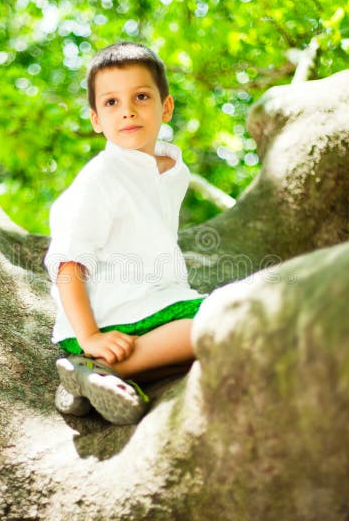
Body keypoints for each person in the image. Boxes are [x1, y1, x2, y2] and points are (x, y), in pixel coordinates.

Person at [44, 42, 206, 425]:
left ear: (165, 107)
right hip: (105, 320)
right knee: (219, 318)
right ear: (96, 119)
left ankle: (92, 382)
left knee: (215, 339)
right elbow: (68, 263)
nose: (128, 110)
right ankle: (95, 365)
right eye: (112, 102)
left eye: (141, 96)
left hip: (152, 307)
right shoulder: (102, 178)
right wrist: (90, 337)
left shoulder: (173, 169)